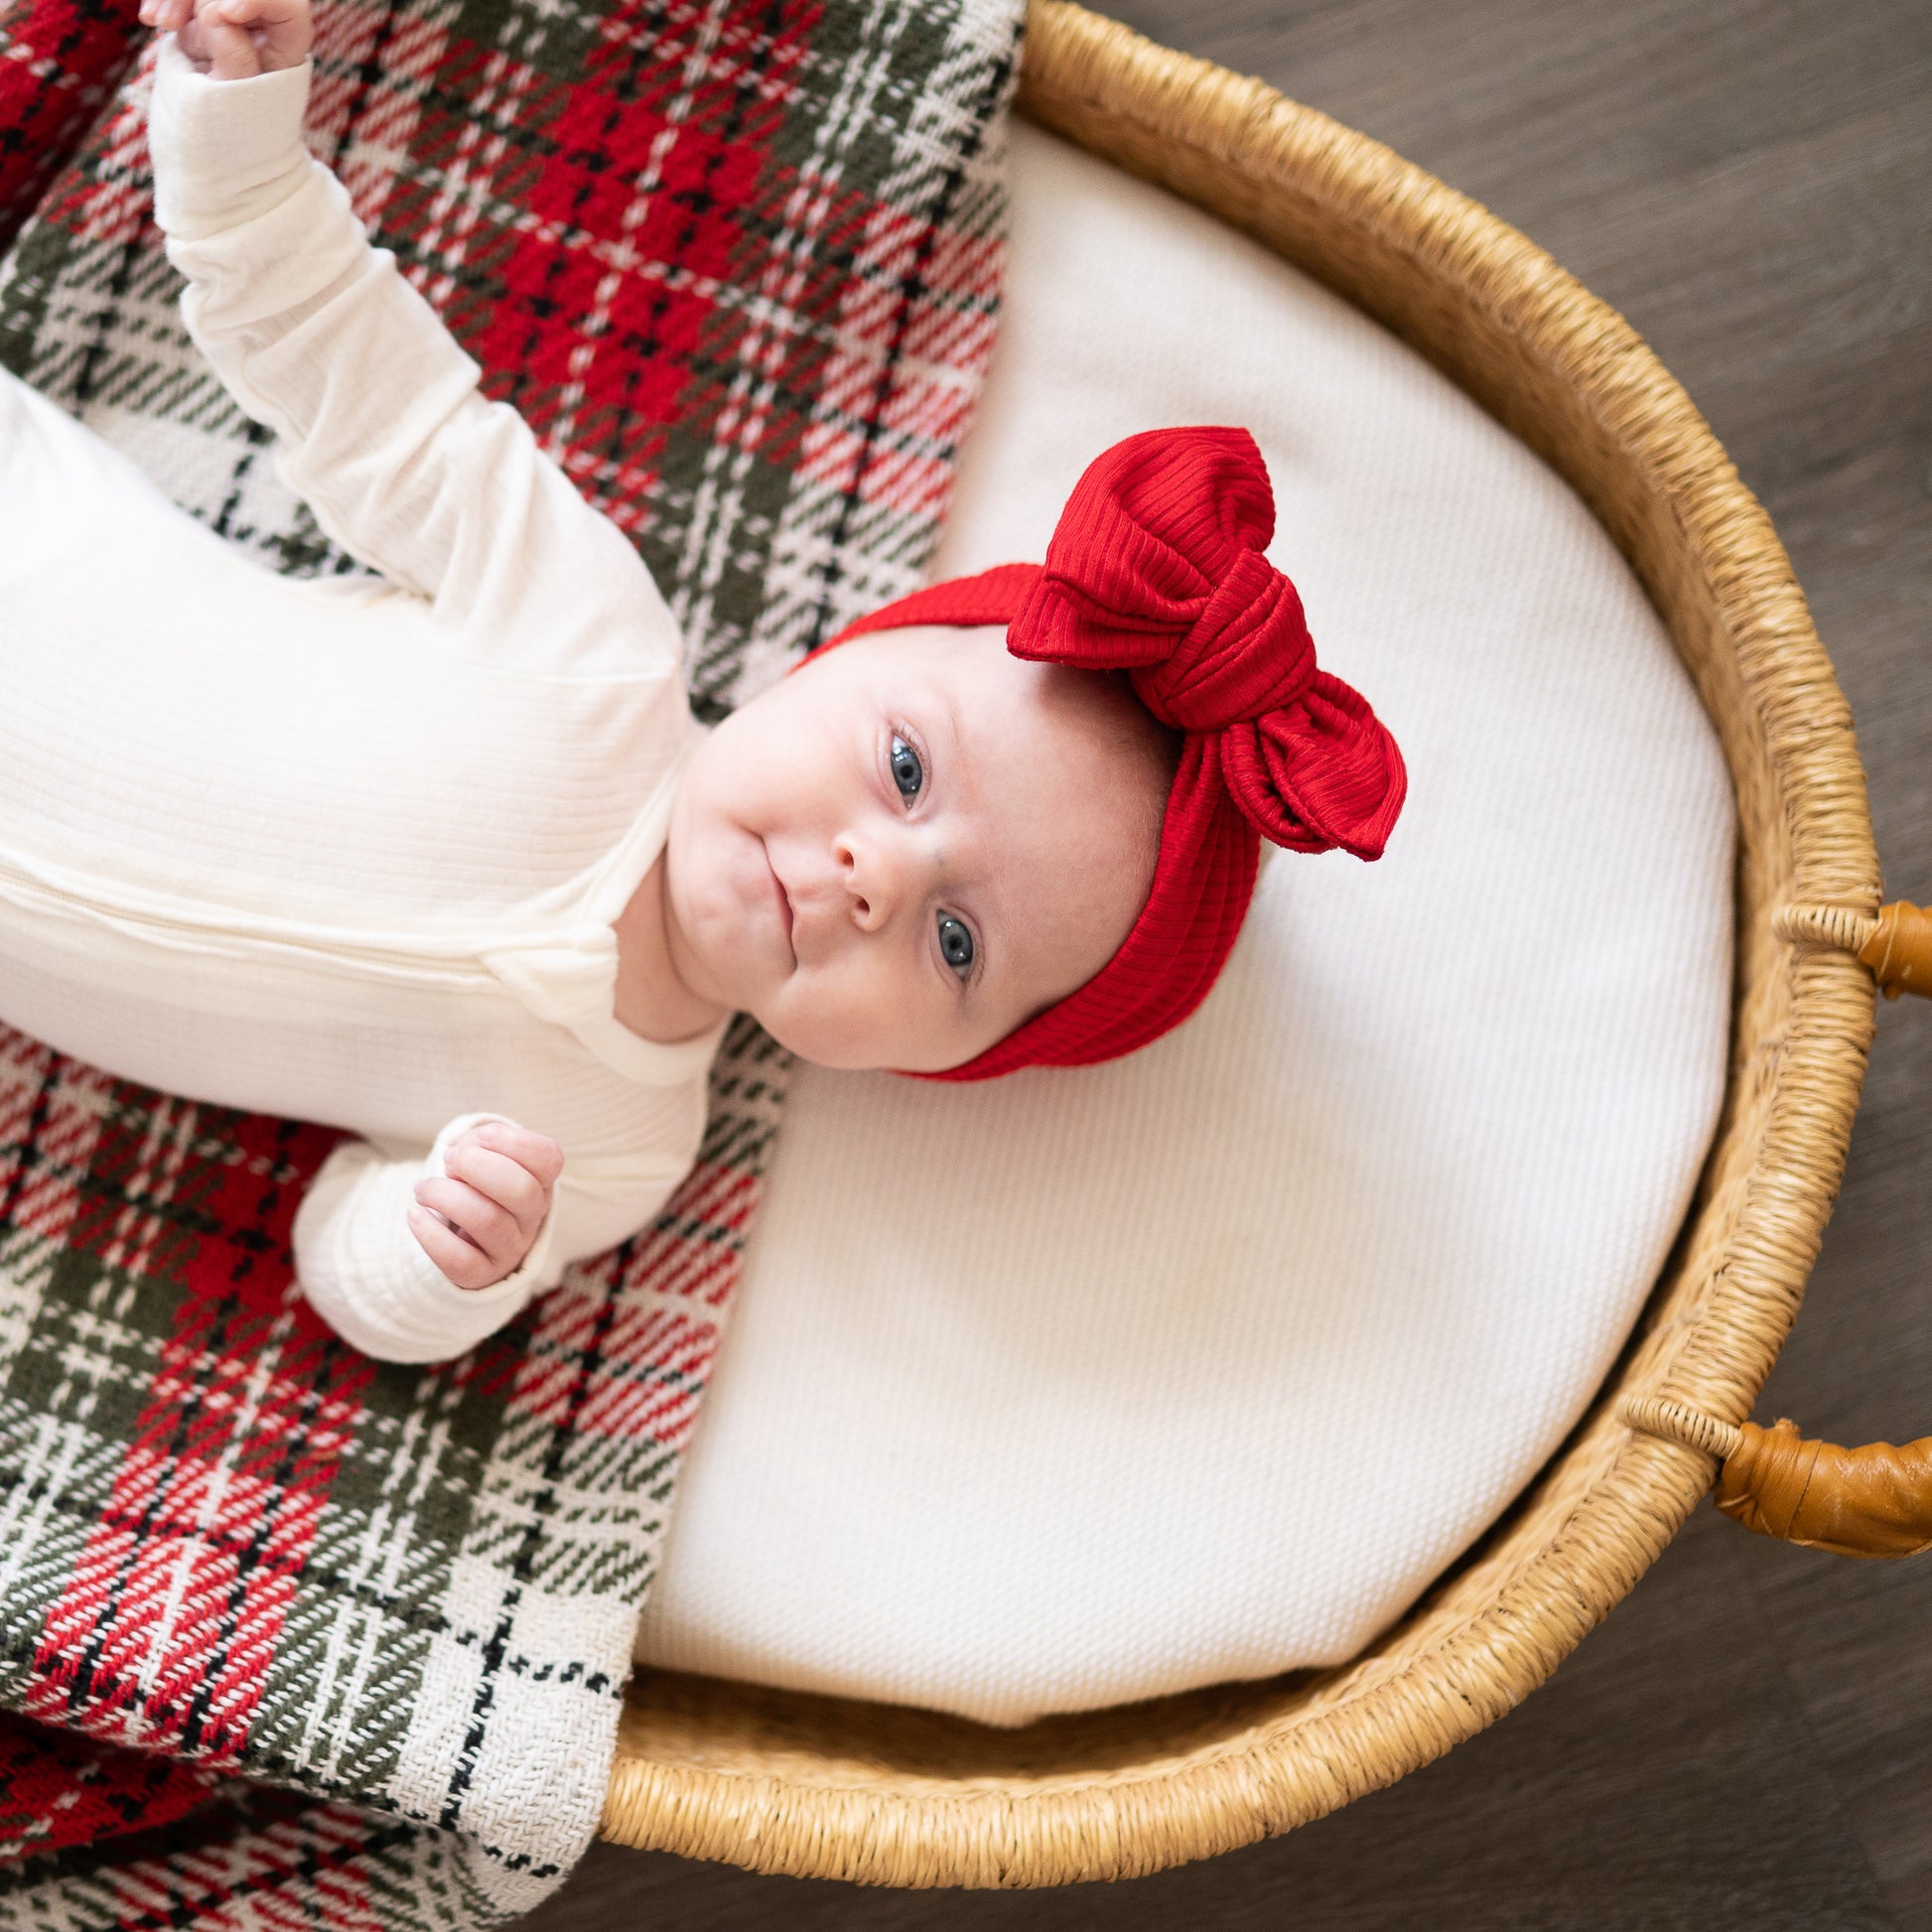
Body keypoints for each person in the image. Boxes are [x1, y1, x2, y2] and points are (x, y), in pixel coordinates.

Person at [0, 0, 1405, 1362]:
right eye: (906, 769)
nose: (876, 875)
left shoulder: (615, 1142)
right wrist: (235, 133)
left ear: (934, 1062)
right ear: (829, 661)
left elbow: (344, 1269)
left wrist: (436, 1257)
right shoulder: (586, 640)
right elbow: (348, 373)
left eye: (956, 945)